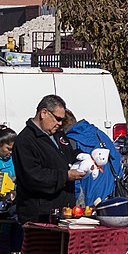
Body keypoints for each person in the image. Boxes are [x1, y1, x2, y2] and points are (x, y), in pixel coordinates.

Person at [14, 94, 87, 225]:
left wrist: (83, 158)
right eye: (58, 119)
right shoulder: (25, 141)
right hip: (39, 216)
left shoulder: (58, 134)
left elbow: (67, 156)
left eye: (62, 120)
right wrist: (66, 176)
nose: (60, 123)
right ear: (44, 113)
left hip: (64, 211)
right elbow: (33, 176)